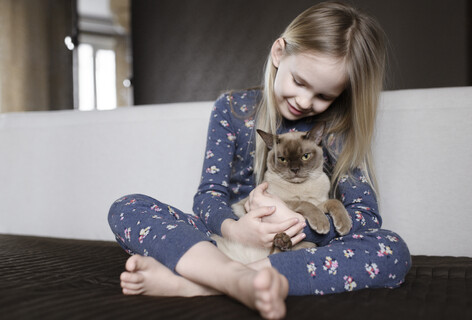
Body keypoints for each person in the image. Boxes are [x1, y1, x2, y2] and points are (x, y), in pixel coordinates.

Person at [108, 2, 411, 319]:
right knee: (127, 207)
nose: (306, 102)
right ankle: (232, 277)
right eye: (300, 82)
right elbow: (209, 196)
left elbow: (365, 216)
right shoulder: (232, 109)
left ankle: (203, 283)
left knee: (392, 249)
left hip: (296, 248)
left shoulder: (334, 128)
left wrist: (300, 226)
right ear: (279, 53)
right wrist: (235, 230)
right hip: (231, 237)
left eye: (324, 96)